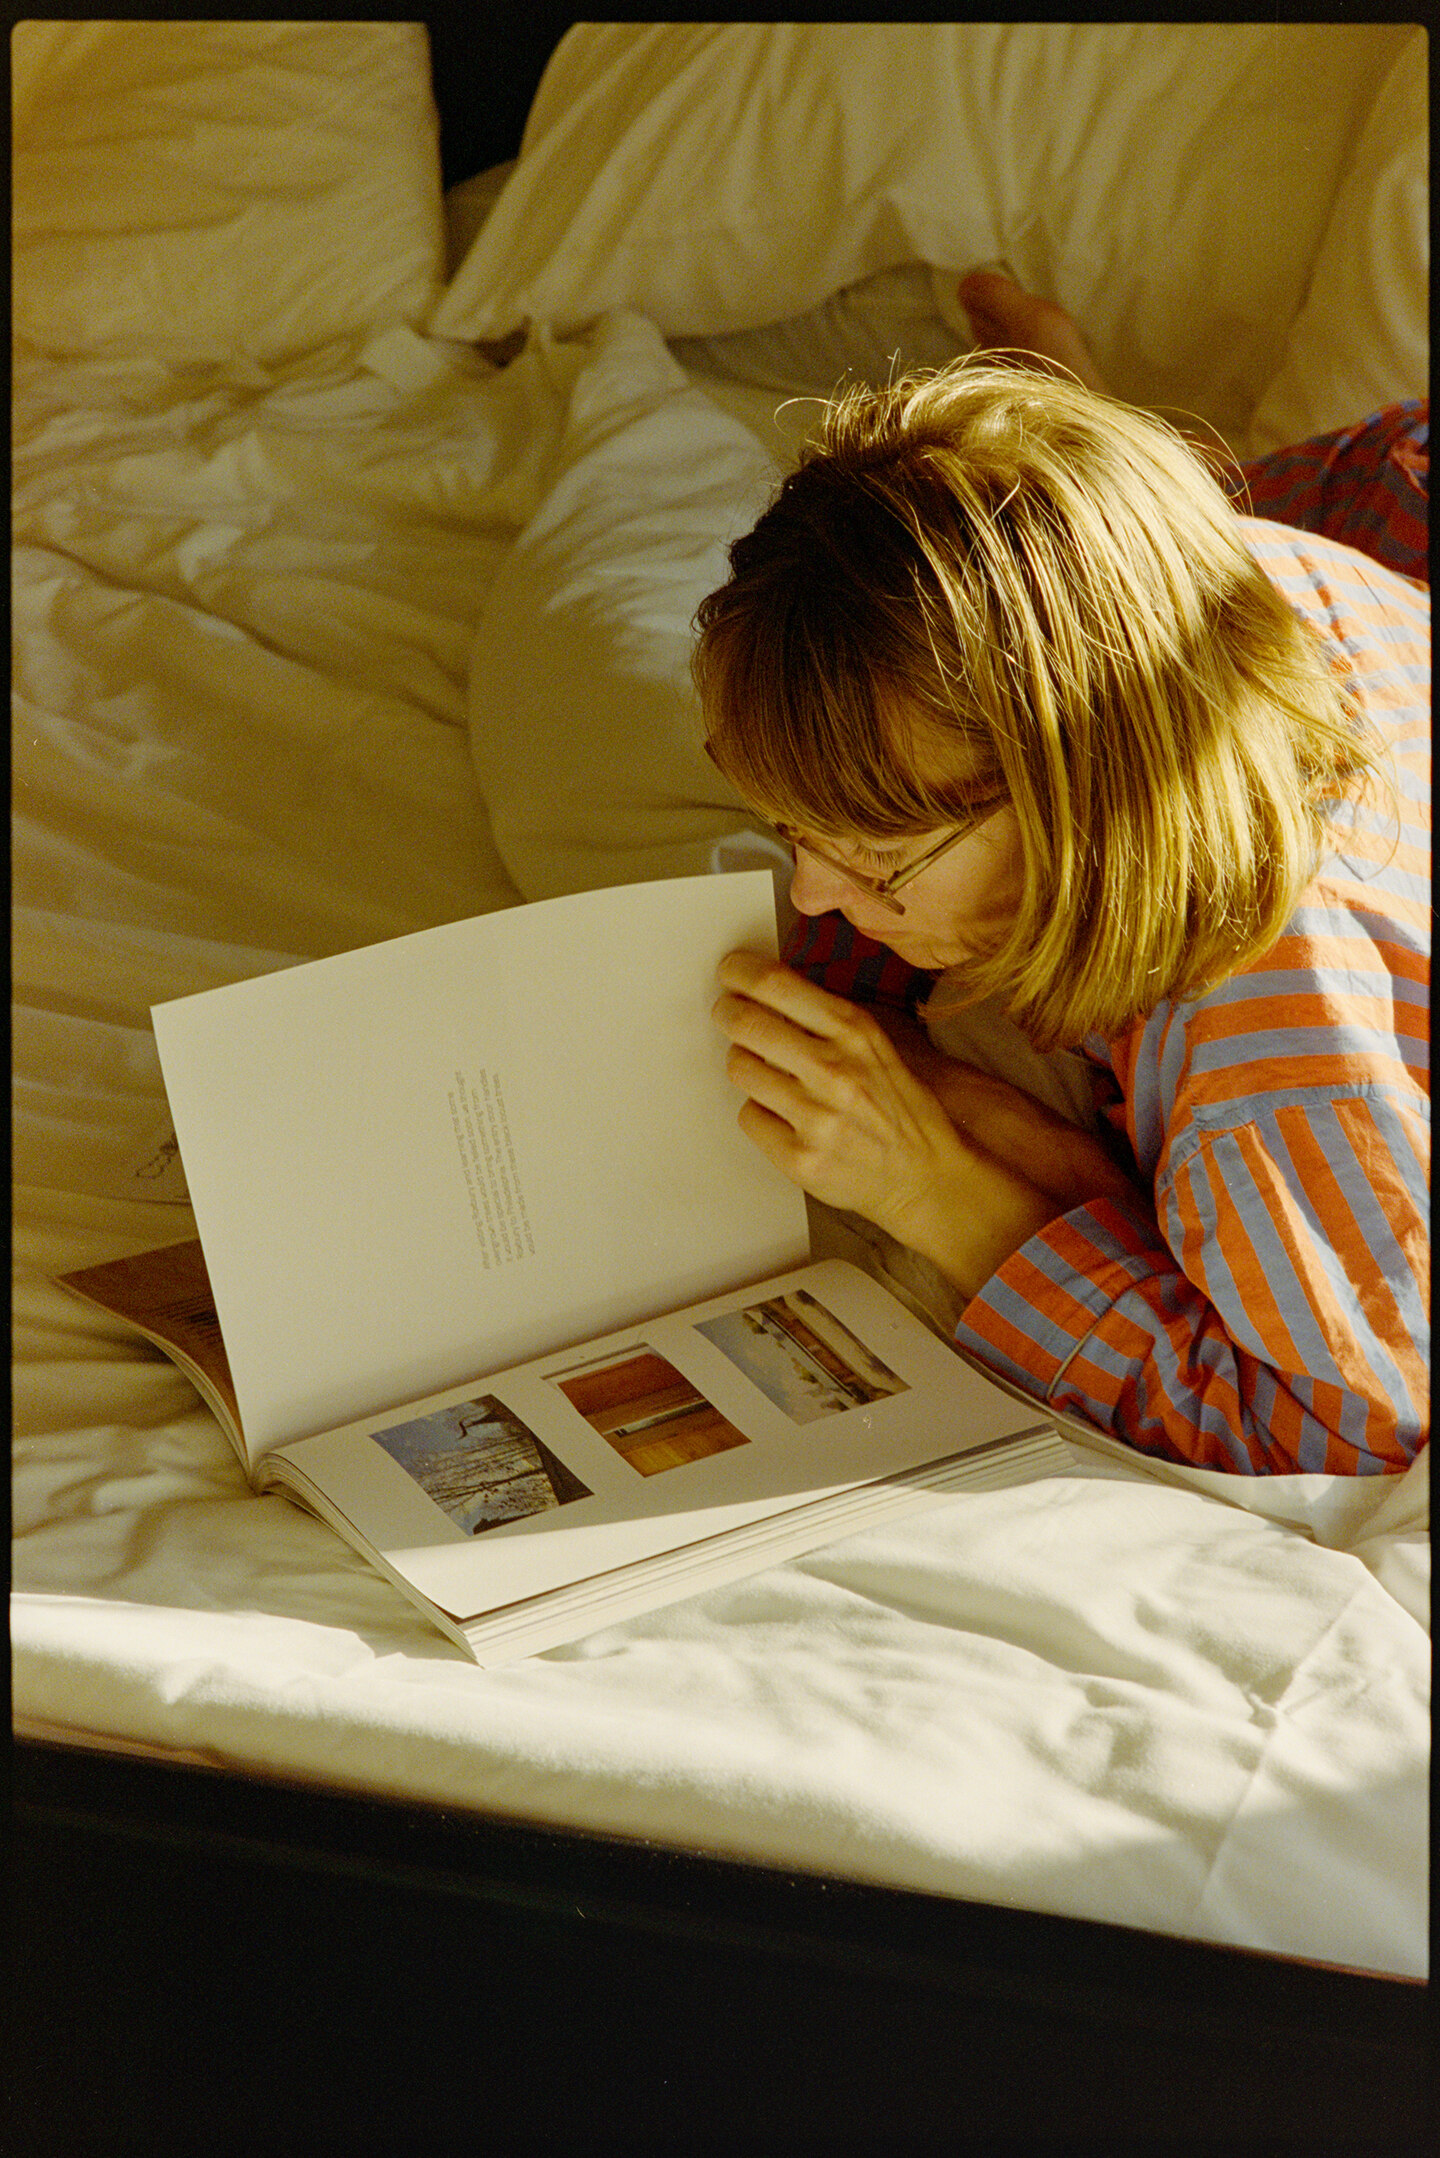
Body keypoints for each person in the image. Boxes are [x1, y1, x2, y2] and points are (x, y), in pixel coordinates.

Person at [699, 279, 1429, 1477]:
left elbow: (1344, 1424)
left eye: (877, 859)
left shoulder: (1282, 1070)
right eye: (792, 837)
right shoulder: (1191, 571)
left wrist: (942, 1189)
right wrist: (880, 1013)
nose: (815, 898)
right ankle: (1060, 403)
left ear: (1078, 817)